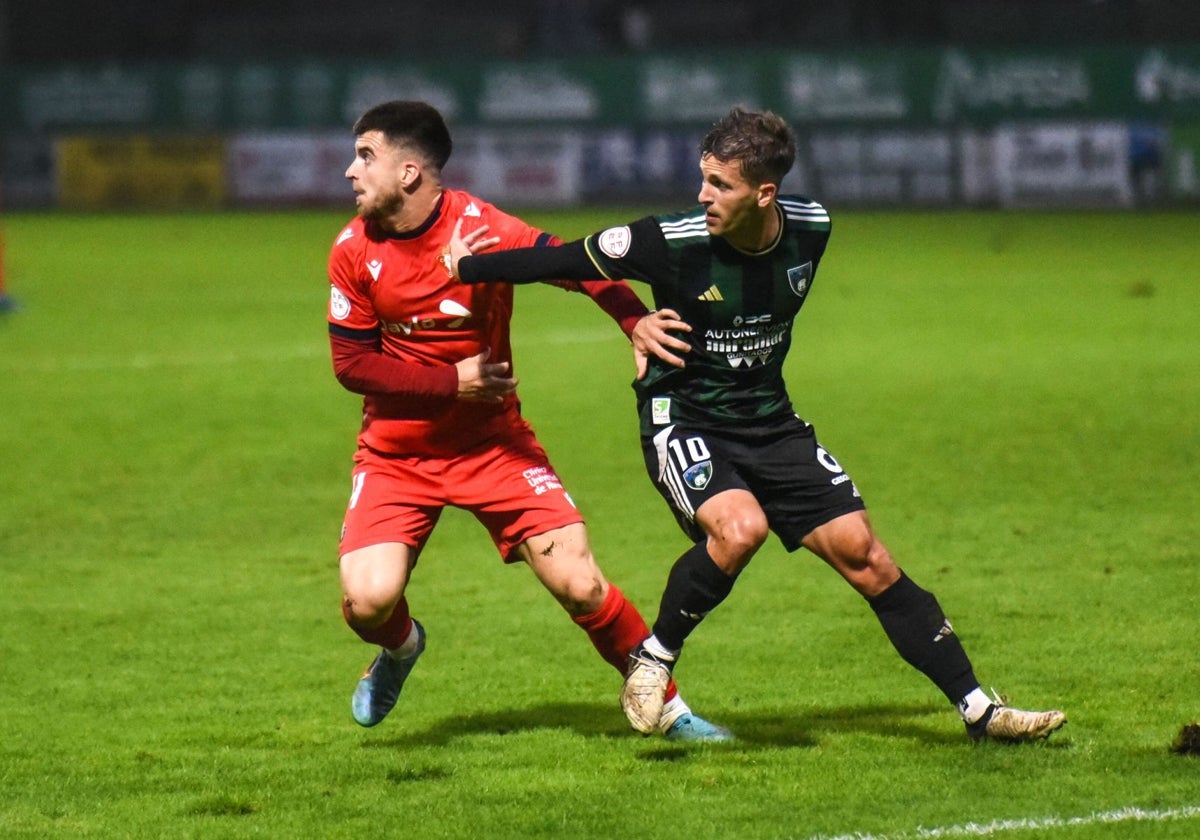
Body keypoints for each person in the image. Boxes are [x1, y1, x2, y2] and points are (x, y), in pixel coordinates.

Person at [446, 106, 1067, 743]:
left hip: (771, 421)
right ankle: (654, 659)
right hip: (684, 417)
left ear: (764, 193)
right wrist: (466, 269)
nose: (703, 194)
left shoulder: (813, 228)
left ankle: (979, 712)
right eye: (703, 178)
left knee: (867, 555)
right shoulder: (670, 241)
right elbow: (564, 260)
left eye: (721, 185)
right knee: (742, 529)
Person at [326, 99, 729, 742]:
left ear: (408, 172)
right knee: (368, 602)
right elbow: (351, 366)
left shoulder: (481, 227)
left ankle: (672, 710)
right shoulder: (352, 251)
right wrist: (449, 382)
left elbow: (575, 263)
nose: (350, 171)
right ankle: (402, 648)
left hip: (493, 447)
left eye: (365, 156)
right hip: (396, 454)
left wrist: (635, 319)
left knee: (581, 584)